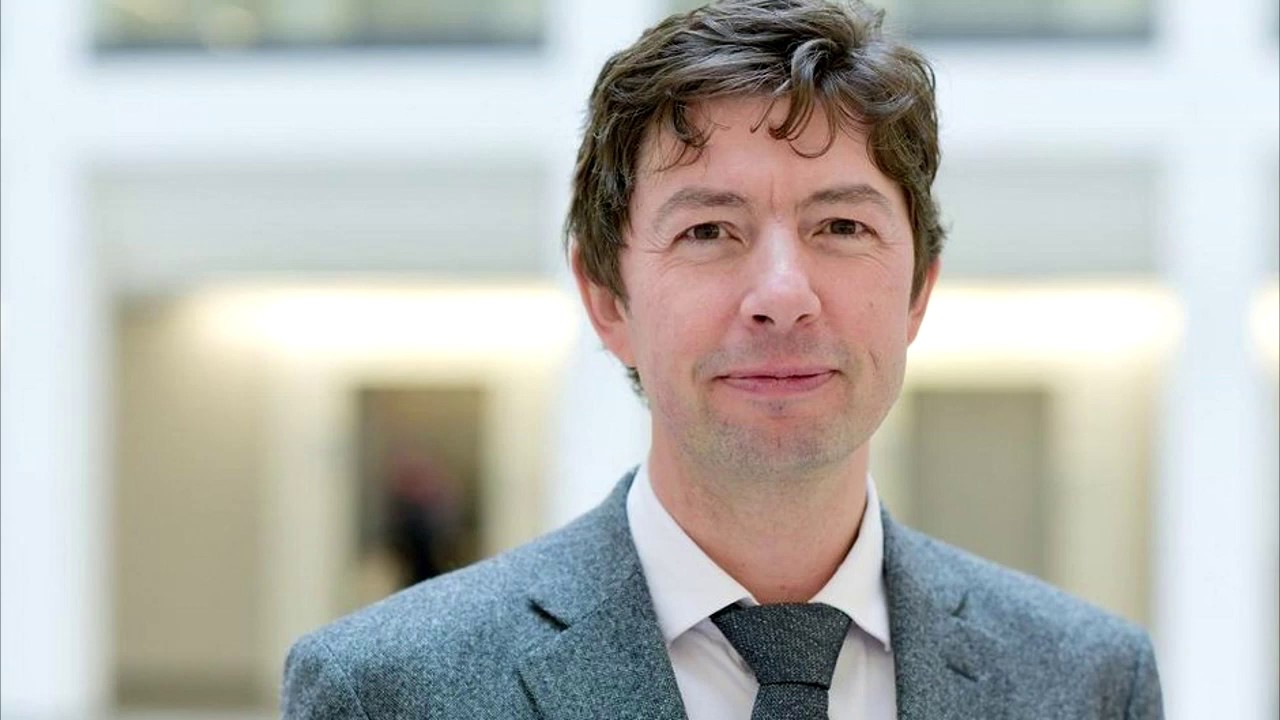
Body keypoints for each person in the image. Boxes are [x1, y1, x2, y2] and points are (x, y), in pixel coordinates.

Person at [281, 1, 1164, 717]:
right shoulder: (387, 691)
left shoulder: (1087, 682)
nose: (782, 293)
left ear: (918, 293)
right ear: (606, 299)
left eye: (841, 225)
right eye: (708, 231)